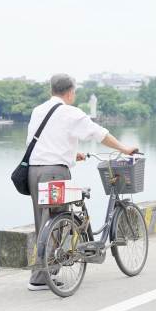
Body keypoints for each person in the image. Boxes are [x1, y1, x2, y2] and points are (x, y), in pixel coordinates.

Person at [26, 73, 138, 291]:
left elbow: (40, 142)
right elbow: (99, 134)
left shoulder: (38, 110)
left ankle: (40, 273)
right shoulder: (70, 112)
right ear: (70, 92)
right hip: (55, 173)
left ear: (52, 90)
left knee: (43, 222)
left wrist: (70, 154)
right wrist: (125, 149)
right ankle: (44, 276)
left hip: (34, 171)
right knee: (58, 222)